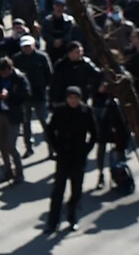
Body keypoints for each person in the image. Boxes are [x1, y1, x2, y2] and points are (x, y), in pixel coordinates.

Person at [45, 86, 97, 234]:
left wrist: (86, 150)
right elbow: (50, 130)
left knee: (76, 189)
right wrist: (56, 146)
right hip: (63, 155)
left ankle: (72, 217)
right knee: (58, 190)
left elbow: (94, 133)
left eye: (76, 98)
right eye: (70, 98)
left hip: (78, 155)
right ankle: (52, 222)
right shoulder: (60, 110)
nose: (73, 101)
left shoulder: (86, 111)